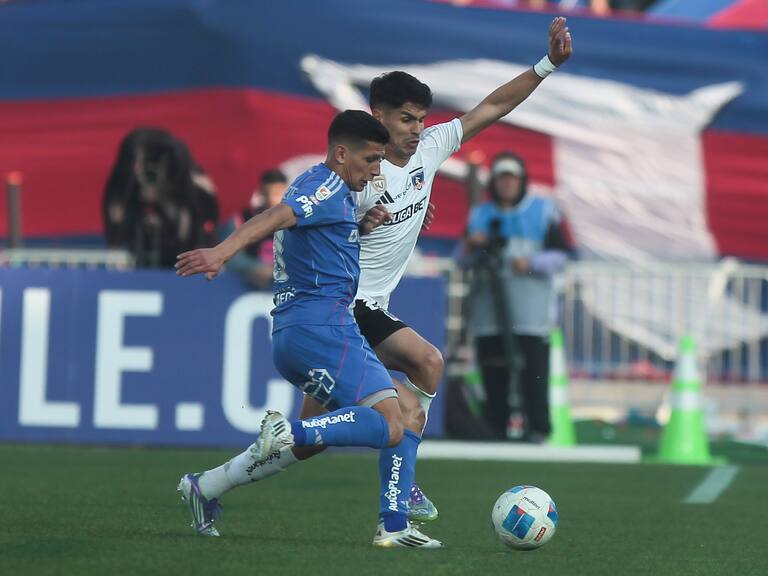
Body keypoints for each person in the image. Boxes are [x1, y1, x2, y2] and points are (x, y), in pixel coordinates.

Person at [281, 16, 573, 520]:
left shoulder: (432, 149)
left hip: (363, 309)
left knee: (307, 444)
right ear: (378, 116)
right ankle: (404, 478)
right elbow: (311, 223)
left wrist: (547, 65)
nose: (418, 129)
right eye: (406, 119)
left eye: (421, 118)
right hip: (346, 307)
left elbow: (495, 106)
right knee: (428, 364)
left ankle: (211, 482)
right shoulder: (354, 176)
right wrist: (364, 224)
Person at [175, 110, 442, 548]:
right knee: (392, 423)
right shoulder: (324, 185)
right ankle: (295, 440)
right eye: (372, 160)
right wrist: (222, 252)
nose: (377, 171)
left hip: (304, 332)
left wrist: (360, 227)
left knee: (402, 414)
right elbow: (277, 216)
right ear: (341, 153)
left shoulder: (335, 195)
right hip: (324, 328)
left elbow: (314, 238)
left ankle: (208, 487)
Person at [466, 151, 572, 441]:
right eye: (502, 179)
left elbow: (561, 258)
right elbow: (463, 260)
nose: (507, 185)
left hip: (530, 315)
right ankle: (495, 427)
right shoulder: (480, 214)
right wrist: (472, 247)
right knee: (493, 371)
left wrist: (532, 262)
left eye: (512, 178)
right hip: (489, 314)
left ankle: (537, 428)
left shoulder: (543, 210)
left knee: (533, 373)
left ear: (522, 181)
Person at [220, 169, 288, 289]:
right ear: (261, 192)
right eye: (267, 193)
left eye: (277, 193)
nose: (272, 199)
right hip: (244, 288)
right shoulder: (241, 220)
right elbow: (227, 256)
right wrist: (254, 267)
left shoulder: (300, 222)